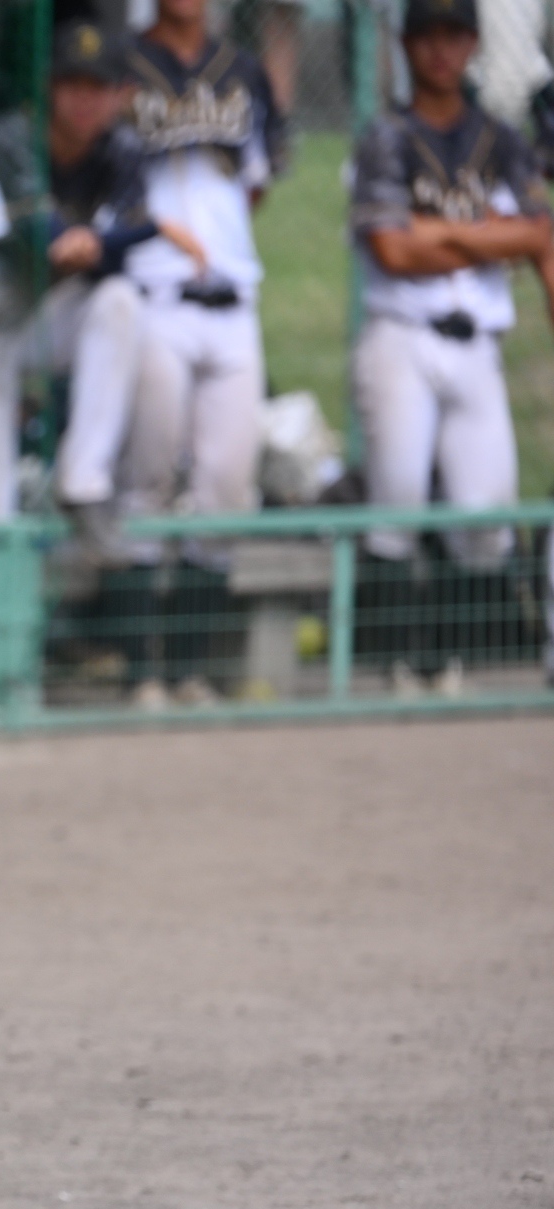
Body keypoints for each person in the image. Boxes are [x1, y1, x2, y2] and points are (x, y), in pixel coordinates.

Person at [0, 21, 178, 667]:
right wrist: (112, 238)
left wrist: (109, 240)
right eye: (72, 84)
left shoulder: (118, 149)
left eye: (98, 87)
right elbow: (42, 241)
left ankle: (83, 478)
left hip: (24, 323)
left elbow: (130, 240)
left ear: (120, 95)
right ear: (49, 88)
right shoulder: (8, 140)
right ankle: (4, 673)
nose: (84, 100)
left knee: (119, 304)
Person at [349, 0, 550, 696]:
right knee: (398, 502)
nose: (440, 50)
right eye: (427, 36)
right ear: (406, 45)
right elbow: (394, 251)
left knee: (485, 511)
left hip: (477, 346)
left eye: (454, 35)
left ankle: (462, 663)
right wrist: (490, 237)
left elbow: (540, 234)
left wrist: (440, 231)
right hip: (400, 336)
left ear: (472, 44)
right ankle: (391, 664)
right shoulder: (386, 137)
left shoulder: (502, 139)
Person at [116, 0, 287, 705]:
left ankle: (188, 669)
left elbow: (256, 181)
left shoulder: (241, 70)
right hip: (155, 295)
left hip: (233, 301)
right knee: (148, 479)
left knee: (226, 487)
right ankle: (140, 672)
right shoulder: (122, 65)